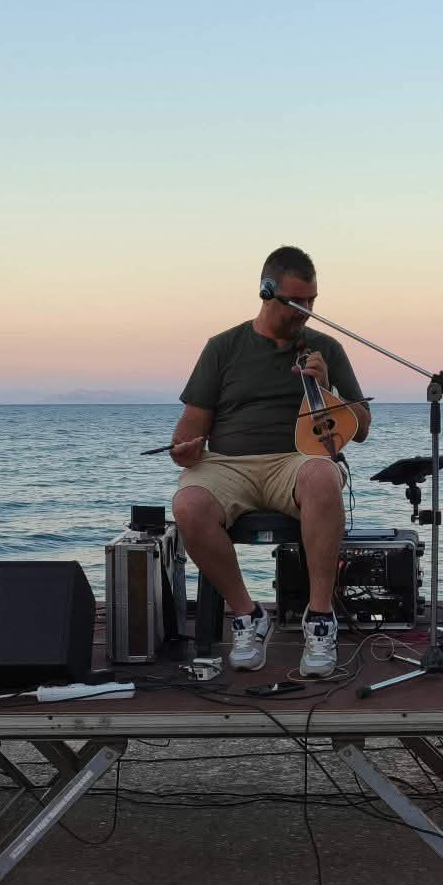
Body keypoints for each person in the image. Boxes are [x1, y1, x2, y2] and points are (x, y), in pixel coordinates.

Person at [169, 246, 370, 677]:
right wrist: (185, 449)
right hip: (228, 464)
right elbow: (189, 430)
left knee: (323, 475)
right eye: (296, 301)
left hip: (295, 461)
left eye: (312, 301)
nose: (306, 311)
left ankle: (320, 619)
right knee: (187, 504)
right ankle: (248, 615)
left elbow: (362, 428)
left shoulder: (326, 348)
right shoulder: (223, 347)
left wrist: (328, 388)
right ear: (266, 292)